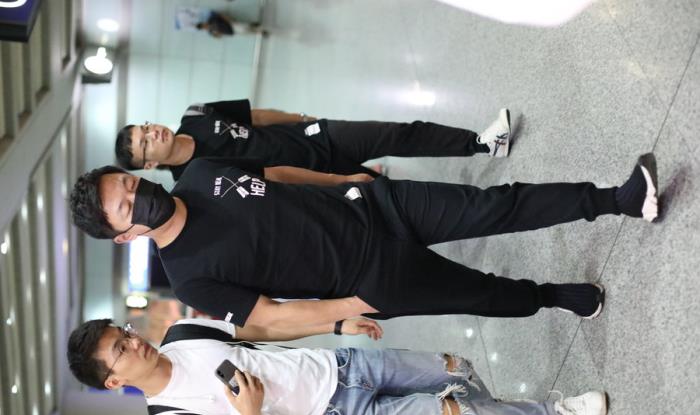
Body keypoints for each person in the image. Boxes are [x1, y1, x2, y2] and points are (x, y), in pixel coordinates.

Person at [69, 152, 659, 331]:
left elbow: (276, 174)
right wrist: (348, 310)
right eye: (126, 206)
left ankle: (617, 199)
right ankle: (551, 297)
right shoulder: (189, 276)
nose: (138, 194)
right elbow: (270, 316)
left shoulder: (200, 174)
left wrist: (341, 180)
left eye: (129, 183)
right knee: (480, 294)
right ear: (124, 236)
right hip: (368, 280)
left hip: (373, 206)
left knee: (494, 204)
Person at [67, 317, 609, 415]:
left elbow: (265, 327)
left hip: (343, 364)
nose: (134, 343)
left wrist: (336, 324)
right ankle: (556, 413)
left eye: (125, 333)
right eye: (120, 351)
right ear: (114, 382)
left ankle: (497, 410)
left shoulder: (183, 332)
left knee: (456, 367)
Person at [114, 100, 512, 181]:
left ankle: (482, 143)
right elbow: (270, 181)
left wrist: (304, 119)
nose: (152, 133)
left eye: (145, 128)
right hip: (316, 176)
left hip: (314, 135)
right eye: (145, 144)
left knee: (397, 133)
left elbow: (256, 116)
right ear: (150, 165)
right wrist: (337, 183)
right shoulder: (195, 179)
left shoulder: (196, 114)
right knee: (390, 192)